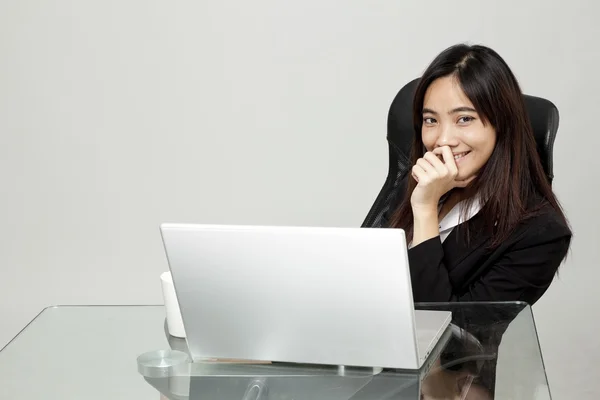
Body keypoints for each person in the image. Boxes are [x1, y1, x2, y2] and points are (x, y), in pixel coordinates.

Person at [386, 43, 572, 305]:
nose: (443, 139)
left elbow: (452, 336)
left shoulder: (539, 234)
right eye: (431, 120)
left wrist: (426, 210)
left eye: (464, 119)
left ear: (502, 124)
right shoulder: (418, 181)